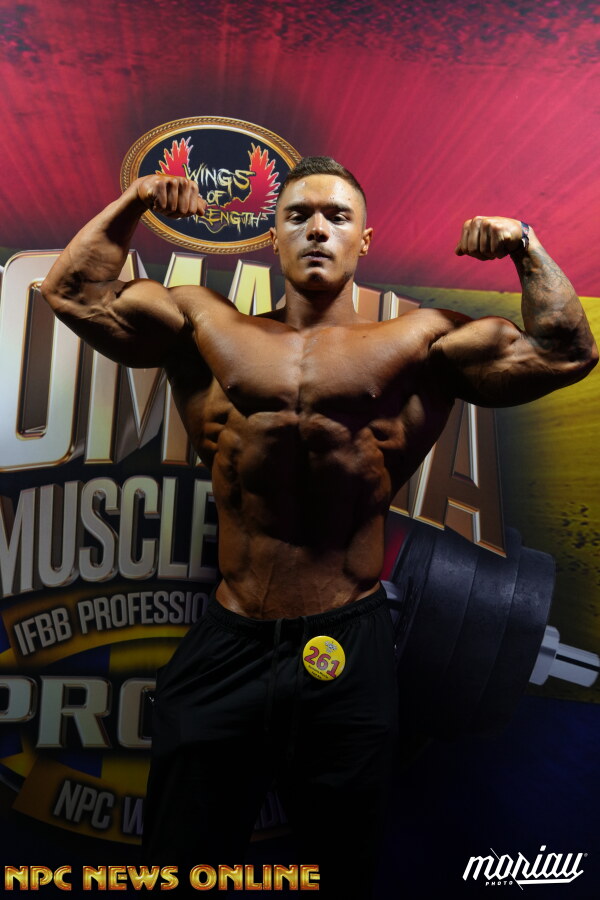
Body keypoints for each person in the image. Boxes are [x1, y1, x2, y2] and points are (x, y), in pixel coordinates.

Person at [41, 157, 597, 897]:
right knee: (180, 862)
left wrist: (524, 245)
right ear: (273, 235)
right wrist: (135, 201)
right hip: (230, 641)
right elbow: (72, 293)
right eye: (298, 215)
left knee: (342, 873)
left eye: (337, 217)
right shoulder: (203, 324)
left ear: (363, 240)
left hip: (346, 643)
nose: (316, 230)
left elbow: (567, 351)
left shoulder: (424, 343)